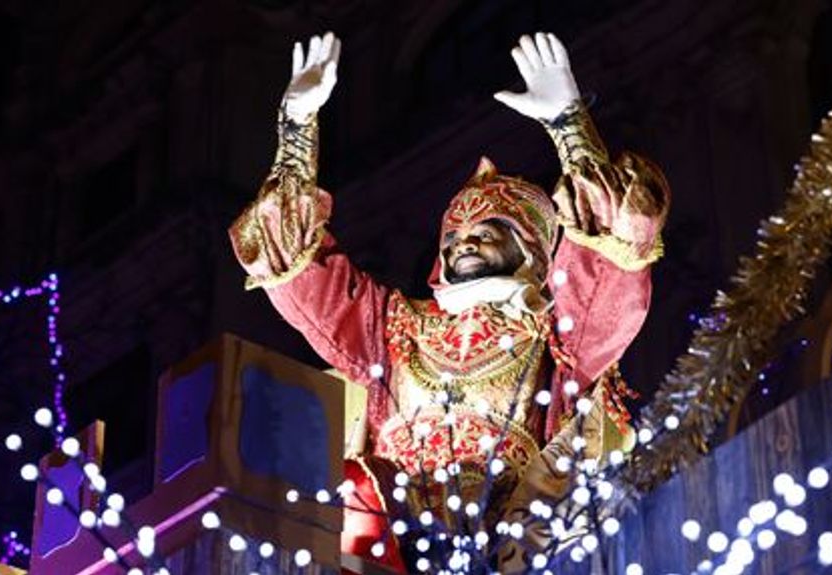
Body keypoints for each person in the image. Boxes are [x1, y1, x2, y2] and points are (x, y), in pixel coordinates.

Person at [229, 31, 669, 572]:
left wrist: (570, 126)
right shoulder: (393, 327)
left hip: (518, 545)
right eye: (455, 234)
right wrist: (297, 130)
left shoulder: (555, 333)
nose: (466, 240)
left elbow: (616, 251)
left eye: (489, 229)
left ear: (529, 247)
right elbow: (297, 274)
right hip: (391, 540)